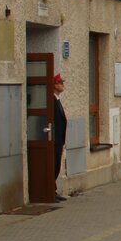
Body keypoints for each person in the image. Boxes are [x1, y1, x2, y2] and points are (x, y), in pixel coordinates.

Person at [52, 73, 67, 202]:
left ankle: (54, 190)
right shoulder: (52, 101)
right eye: (61, 82)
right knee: (53, 165)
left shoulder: (57, 100)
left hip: (58, 140)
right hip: (53, 140)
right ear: (55, 85)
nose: (63, 85)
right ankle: (50, 191)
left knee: (56, 165)